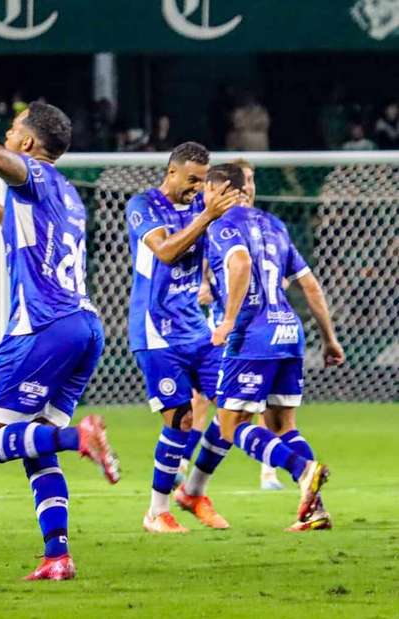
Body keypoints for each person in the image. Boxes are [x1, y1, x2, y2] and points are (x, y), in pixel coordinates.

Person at [0, 101, 120, 581]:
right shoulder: (68, 194)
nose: (8, 135)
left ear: (29, 143)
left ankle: (81, 437)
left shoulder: (32, 172)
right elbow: (32, 244)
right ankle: (58, 556)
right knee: (36, 447)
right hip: (83, 326)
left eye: (14, 129)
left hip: (43, 326)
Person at [206, 163, 345, 531]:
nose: (205, 198)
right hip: (288, 332)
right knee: (283, 427)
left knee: (231, 426)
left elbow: (240, 264)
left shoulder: (221, 225)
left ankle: (302, 469)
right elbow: (310, 285)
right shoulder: (275, 225)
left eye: (207, 189)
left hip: (252, 336)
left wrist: (228, 321)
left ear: (221, 190)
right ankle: (315, 510)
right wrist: (329, 338)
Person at [125, 141, 239, 534]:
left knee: (233, 408)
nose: (197, 187)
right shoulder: (143, 205)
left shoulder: (200, 207)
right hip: (155, 329)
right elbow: (165, 251)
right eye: (192, 179)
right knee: (181, 419)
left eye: (202, 181)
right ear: (171, 171)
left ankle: (193, 492)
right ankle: (157, 511)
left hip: (196, 328)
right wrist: (207, 215)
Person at [177, 159, 284, 492]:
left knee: (254, 403)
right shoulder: (219, 221)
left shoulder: (264, 224)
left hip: (255, 327)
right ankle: (184, 467)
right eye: (245, 180)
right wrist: (204, 285)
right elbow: (209, 259)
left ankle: (269, 471)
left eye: (252, 180)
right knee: (207, 399)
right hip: (227, 324)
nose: (249, 186)